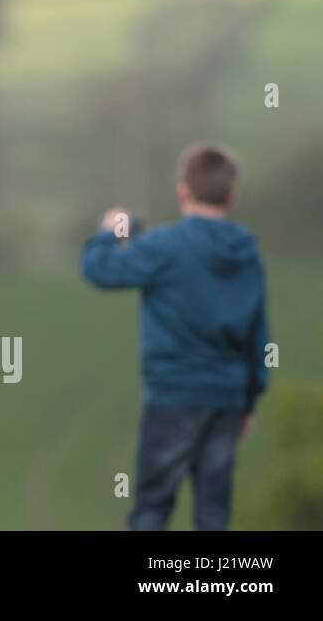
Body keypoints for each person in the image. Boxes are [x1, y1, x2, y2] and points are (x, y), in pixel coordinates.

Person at [81, 143, 270, 531]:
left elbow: (100, 270)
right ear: (231, 195)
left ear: (183, 190)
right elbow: (258, 334)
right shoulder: (248, 253)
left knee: (153, 507)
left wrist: (109, 229)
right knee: (214, 513)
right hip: (227, 398)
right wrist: (249, 398)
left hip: (174, 395)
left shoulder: (165, 247)